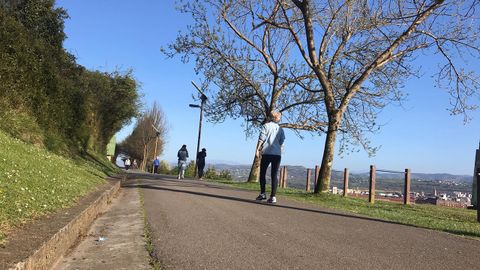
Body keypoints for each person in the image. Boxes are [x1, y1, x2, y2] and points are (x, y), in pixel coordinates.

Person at [256, 111, 285, 204]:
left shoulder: (266, 126)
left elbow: (261, 138)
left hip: (267, 152)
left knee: (263, 173)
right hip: (277, 154)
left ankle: (263, 193)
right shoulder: (281, 129)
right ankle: (273, 196)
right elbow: (281, 141)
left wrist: (257, 149)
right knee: (274, 174)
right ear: (277, 118)